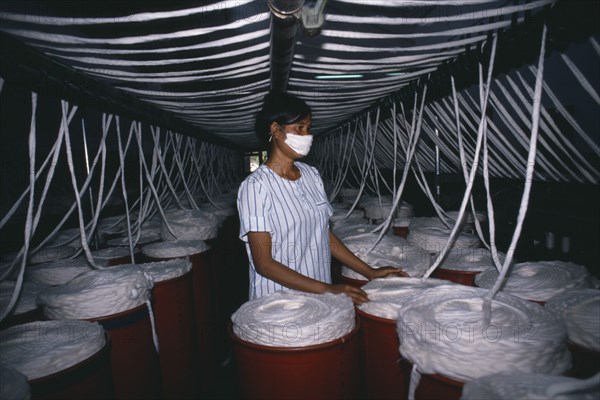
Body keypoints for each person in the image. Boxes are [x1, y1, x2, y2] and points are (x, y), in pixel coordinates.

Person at [237, 92, 405, 305]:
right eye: (299, 128)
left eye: (308, 128)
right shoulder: (255, 187)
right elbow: (264, 264)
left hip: (321, 297)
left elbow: (323, 234)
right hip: (278, 301)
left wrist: (369, 271)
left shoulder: (311, 176)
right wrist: (329, 289)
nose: (306, 135)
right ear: (276, 130)